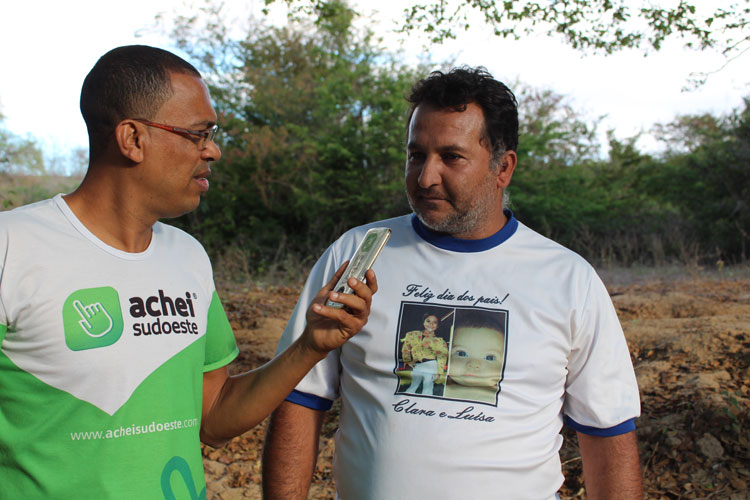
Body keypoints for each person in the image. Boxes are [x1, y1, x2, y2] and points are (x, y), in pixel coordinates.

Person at [0, 45, 376, 499]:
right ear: (133, 138)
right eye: (198, 134)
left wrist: (310, 347)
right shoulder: (11, 248)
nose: (213, 151)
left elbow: (214, 418)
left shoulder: (189, 256)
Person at [262, 66, 642, 500]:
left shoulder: (568, 280)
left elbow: (607, 430)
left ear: (503, 167)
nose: (425, 177)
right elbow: (300, 399)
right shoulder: (358, 255)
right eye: (416, 155)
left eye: (451, 157)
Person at [443, 310, 506, 404]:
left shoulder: (505, 397)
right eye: (461, 353)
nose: (473, 364)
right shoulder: (436, 387)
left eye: (490, 357)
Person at [401, 313, 448, 395]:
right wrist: (407, 360)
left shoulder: (440, 341)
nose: (431, 324)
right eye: (428, 321)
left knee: (427, 388)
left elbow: (442, 357)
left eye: (435, 322)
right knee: (413, 386)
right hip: (417, 365)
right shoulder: (412, 335)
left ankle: (426, 404)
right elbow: (406, 348)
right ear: (423, 322)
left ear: (438, 326)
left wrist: (439, 372)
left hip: (431, 365)